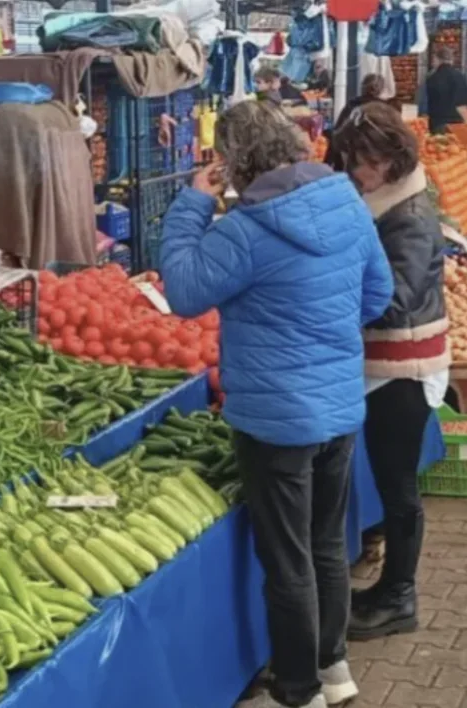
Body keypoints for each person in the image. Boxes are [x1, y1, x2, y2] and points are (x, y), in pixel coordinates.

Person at [159, 100, 393, 708]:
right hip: (340, 407)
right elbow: (378, 293)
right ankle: (334, 667)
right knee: (326, 546)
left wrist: (191, 204)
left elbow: (183, 292)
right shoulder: (346, 203)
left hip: (274, 417)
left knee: (287, 560)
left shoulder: (245, 230)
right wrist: (327, 331)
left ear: (236, 163)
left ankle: (298, 686)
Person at [330, 101, 448, 642]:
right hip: (382, 363)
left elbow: (395, 297)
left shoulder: (411, 216)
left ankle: (400, 595)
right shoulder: (382, 200)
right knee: (388, 478)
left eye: (371, 161)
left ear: (396, 159)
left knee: (398, 486)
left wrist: (325, 292)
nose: (360, 171)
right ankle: (389, 587)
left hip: (403, 365)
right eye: (355, 159)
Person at [325, 74, 390, 170]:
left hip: (350, 158)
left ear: (362, 87)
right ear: (382, 89)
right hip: (377, 162)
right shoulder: (386, 110)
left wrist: (328, 161)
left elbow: (338, 134)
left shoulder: (352, 106)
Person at [423, 47, 467, 134]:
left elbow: (423, 104)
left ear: (437, 59)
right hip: (460, 123)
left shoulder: (431, 79)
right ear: (451, 60)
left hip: (438, 124)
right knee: (458, 147)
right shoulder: (463, 77)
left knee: (440, 145)